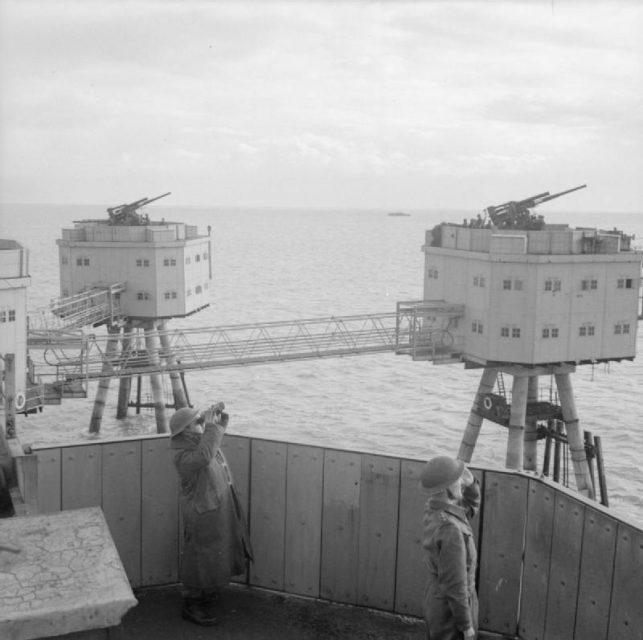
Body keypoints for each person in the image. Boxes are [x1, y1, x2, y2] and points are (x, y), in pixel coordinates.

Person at [170, 402, 253, 626]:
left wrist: (219, 421)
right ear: (186, 431)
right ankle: (191, 604)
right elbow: (205, 455)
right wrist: (209, 427)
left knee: (213, 555)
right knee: (199, 558)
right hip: (202, 513)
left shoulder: (199, 444)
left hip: (214, 509)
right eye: (195, 422)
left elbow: (210, 445)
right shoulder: (183, 457)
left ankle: (205, 594)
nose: (200, 423)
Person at [419, 456, 480, 640]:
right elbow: (455, 585)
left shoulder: (434, 509)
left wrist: (471, 485)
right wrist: (466, 625)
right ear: (447, 488)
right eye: (457, 481)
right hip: (452, 610)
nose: (460, 483)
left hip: (438, 600)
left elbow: (469, 508)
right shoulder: (450, 529)